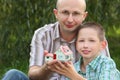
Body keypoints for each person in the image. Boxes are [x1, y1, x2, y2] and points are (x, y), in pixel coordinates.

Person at [2, 0, 110, 80]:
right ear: (56, 13)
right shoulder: (42, 34)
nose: (70, 19)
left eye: (76, 13)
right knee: (13, 75)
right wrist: (47, 68)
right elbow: (33, 75)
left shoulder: (94, 38)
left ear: (84, 16)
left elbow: (106, 74)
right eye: (65, 12)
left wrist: (72, 75)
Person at [49, 22, 120, 80]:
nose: (85, 45)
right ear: (76, 44)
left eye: (92, 41)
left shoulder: (106, 64)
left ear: (102, 45)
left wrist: (75, 76)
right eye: (81, 41)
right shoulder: (74, 68)